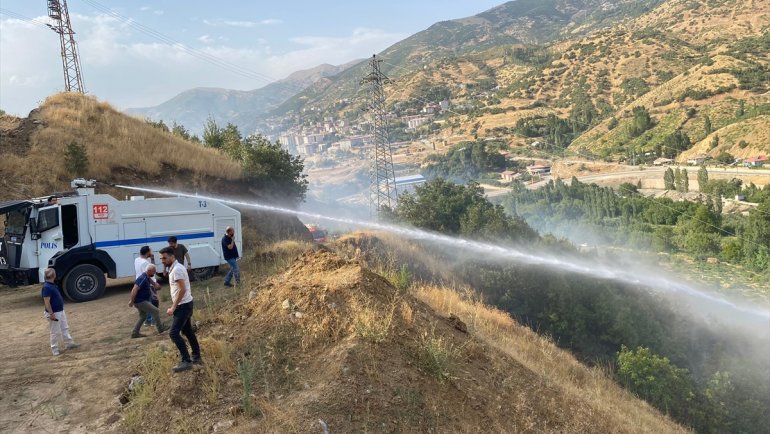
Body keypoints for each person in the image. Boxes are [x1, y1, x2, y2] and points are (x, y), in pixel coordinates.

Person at [159, 246, 201, 372]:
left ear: (172, 257)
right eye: (161, 259)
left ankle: (186, 361)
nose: (162, 261)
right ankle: (196, 356)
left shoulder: (177, 270)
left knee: (173, 333)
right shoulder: (175, 268)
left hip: (183, 306)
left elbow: (182, 289)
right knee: (187, 331)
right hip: (186, 304)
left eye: (164, 258)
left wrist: (173, 306)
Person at [41, 268, 79, 356]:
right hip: (54, 312)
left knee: (65, 327)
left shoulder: (51, 285)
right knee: (55, 331)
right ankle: (55, 349)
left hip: (59, 311)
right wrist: (51, 314)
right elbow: (47, 302)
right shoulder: (47, 287)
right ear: (53, 275)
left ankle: (69, 344)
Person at [128, 264, 167, 338]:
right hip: (140, 301)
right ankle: (160, 328)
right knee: (155, 311)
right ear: (149, 271)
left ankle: (135, 332)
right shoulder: (142, 278)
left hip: (140, 301)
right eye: (153, 271)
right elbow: (134, 289)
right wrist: (131, 301)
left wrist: (152, 294)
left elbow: (148, 287)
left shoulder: (147, 277)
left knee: (143, 316)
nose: (154, 273)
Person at [134, 246, 159, 326]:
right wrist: (154, 284)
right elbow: (151, 272)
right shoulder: (145, 263)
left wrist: (152, 259)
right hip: (148, 284)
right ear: (147, 252)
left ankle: (148, 320)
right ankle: (153, 321)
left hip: (140, 283)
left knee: (147, 303)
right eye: (150, 251)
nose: (151, 252)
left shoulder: (137, 260)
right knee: (153, 302)